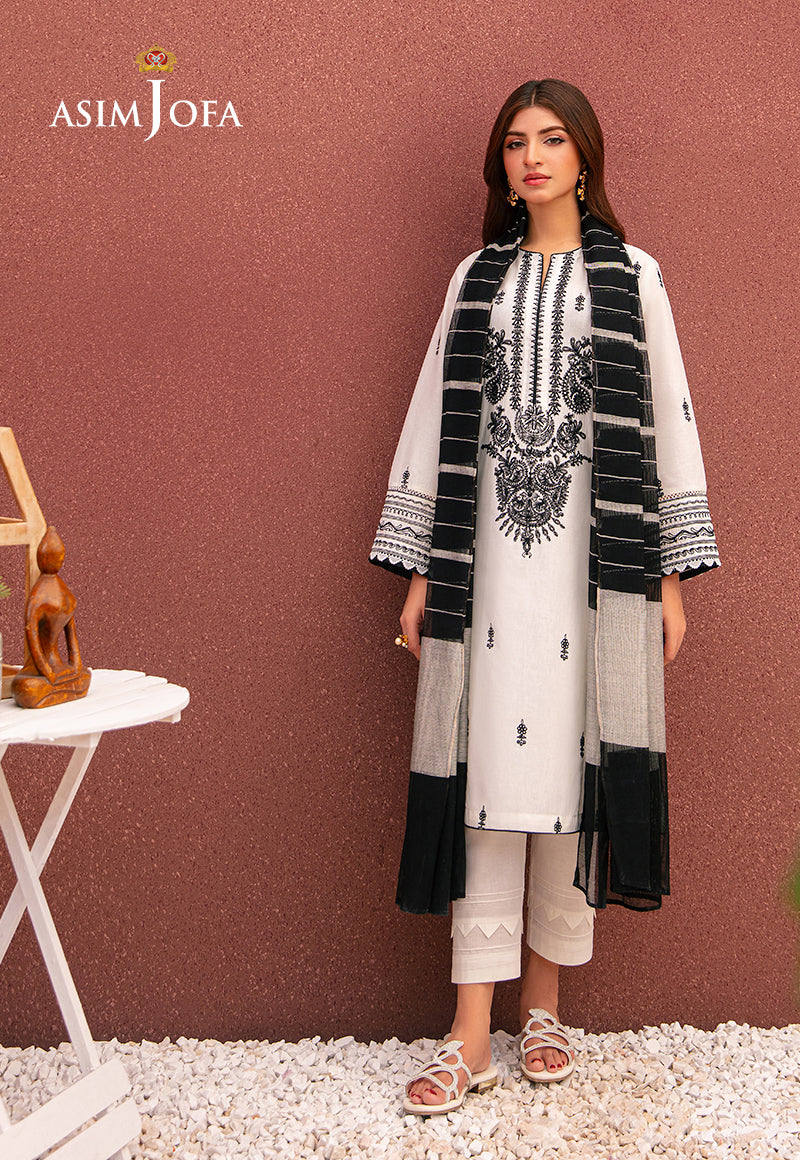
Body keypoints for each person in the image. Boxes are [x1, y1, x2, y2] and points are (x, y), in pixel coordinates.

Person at [369, 78, 720, 1114]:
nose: (531, 156)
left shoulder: (633, 278)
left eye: (552, 138)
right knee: (482, 772)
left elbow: (669, 420)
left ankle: (545, 1008)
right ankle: (469, 1033)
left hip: (591, 574)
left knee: (574, 765)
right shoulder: (475, 278)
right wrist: (421, 570)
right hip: (482, 570)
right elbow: (431, 415)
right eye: (516, 142)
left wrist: (666, 579)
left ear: (584, 156)